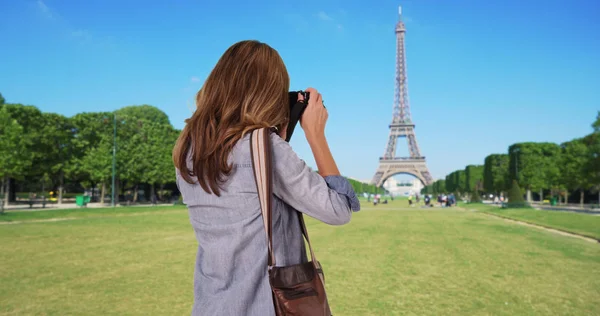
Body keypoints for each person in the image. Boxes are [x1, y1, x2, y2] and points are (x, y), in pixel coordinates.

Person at [172, 40, 360, 316]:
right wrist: (315, 135)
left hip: (211, 305)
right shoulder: (265, 147)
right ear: (269, 92)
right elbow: (339, 209)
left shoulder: (186, 148)